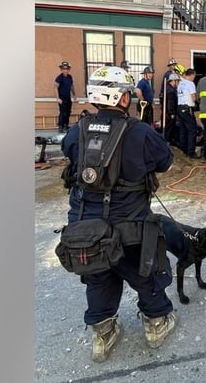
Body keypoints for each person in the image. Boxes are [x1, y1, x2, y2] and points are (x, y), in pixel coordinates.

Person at [60, 65, 177, 362]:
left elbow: (68, 152)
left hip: (85, 228)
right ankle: (155, 323)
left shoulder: (79, 130)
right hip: (130, 226)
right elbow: (166, 162)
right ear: (123, 99)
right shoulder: (139, 132)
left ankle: (103, 335)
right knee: (144, 272)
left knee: (98, 276)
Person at [176, 67, 200, 158]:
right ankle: (191, 152)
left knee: (183, 130)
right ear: (192, 75)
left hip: (180, 108)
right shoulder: (190, 84)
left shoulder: (180, 84)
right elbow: (193, 97)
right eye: (194, 76)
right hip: (187, 109)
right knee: (192, 130)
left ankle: (183, 150)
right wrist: (197, 101)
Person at [54, 61, 76, 132]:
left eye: (67, 69)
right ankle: (61, 126)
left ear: (69, 69)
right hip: (61, 98)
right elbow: (55, 87)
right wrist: (58, 98)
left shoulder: (70, 77)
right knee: (63, 112)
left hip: (68, 97)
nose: (65, 70)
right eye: (64, 69)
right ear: (61, 69)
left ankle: (66, 125)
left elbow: (72, 86)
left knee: (68, 111)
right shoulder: (59, 78)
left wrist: (74, 95)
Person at [163, 72, 180, 146]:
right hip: (169, 113)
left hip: (167, 113)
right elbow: (170, 103)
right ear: (173, 81)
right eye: (177, 81)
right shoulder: (171, 91)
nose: (178, 83)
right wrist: (172, 113)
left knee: (170, 129)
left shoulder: (169, 88)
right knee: (169, 129)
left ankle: (170, 141)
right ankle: (167, 143)